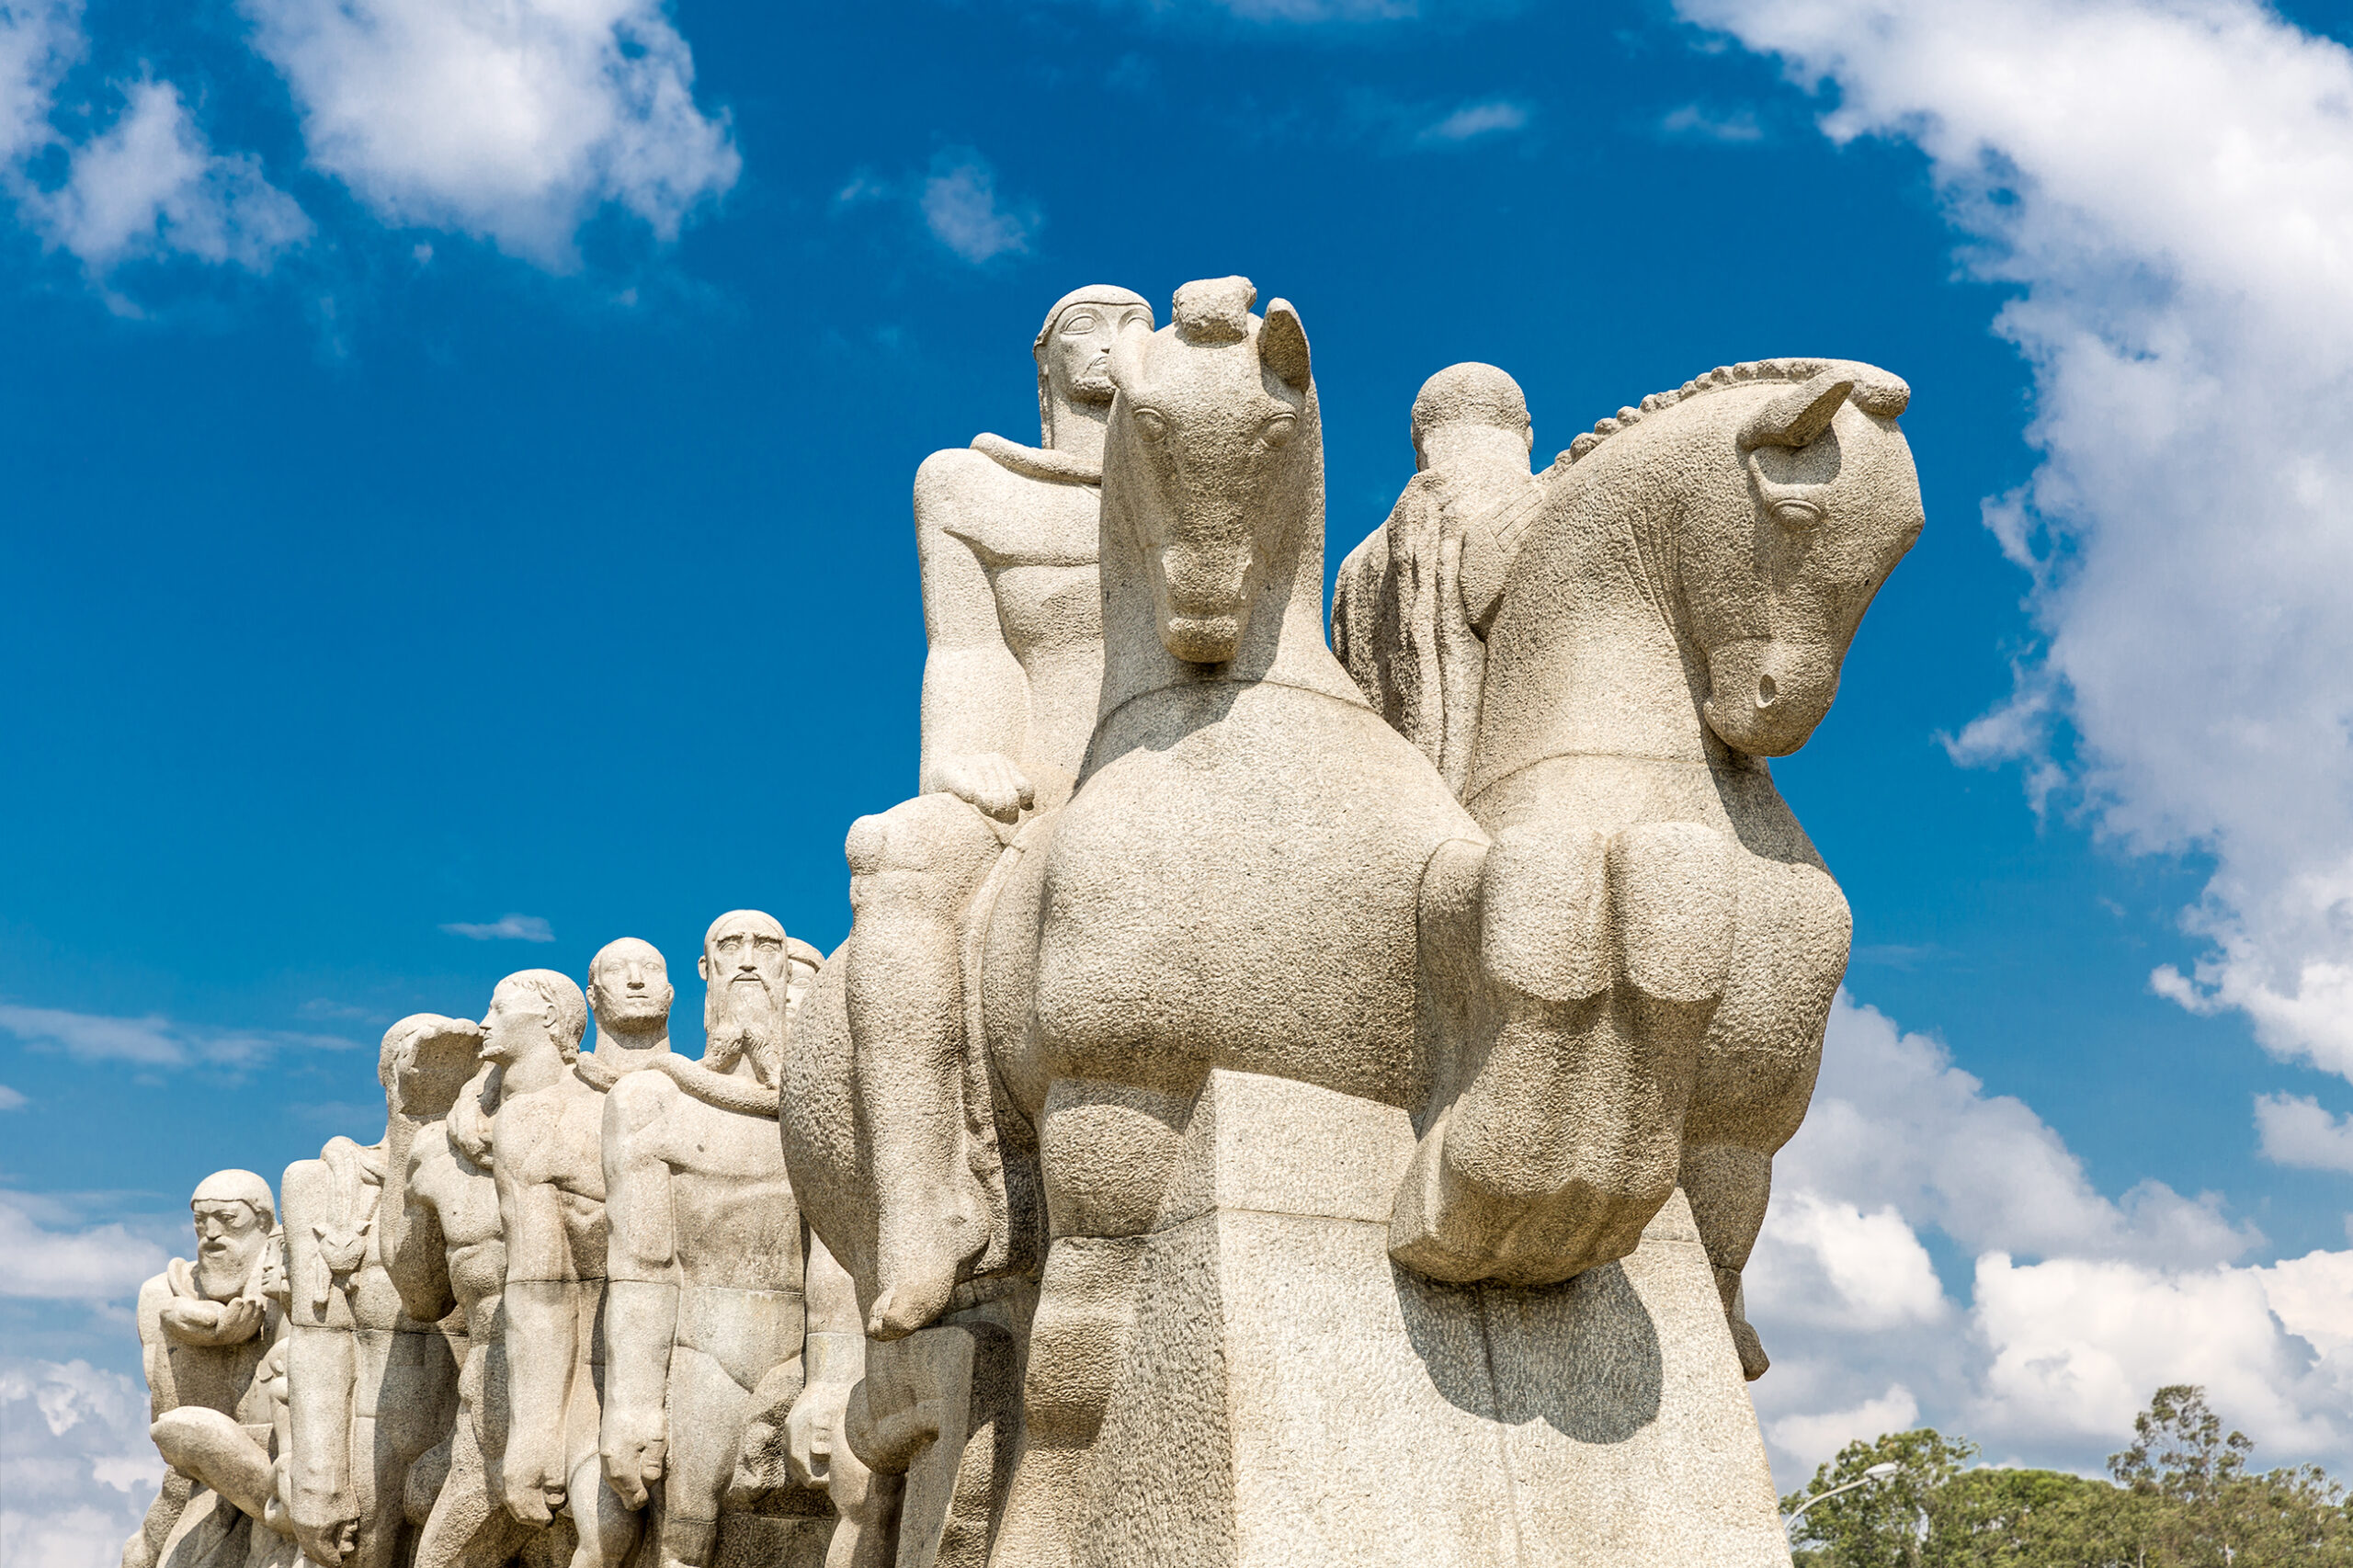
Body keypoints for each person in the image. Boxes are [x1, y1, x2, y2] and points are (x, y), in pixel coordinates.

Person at [846, 284, 1154, 1338]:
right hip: (1028, 778)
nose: (1111, 341)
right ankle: (924, 1201)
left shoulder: (1195, 472)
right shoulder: (967, 484)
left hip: (1167, 758)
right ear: (1046, 363)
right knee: (894, 863)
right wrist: (963, 760)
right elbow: (970, 650)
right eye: (1085, 326)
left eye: (1131, 324)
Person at [599, 911, 872, 1567]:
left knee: (839, 1522)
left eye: (767, 946)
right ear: (707, 967)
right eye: (731, 945)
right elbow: (641, 1267)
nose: (749, 959)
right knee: (685, 1535)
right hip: (704, 1348)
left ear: (784, 966)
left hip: (808, 1344)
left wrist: (832, 1376)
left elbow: (840, 1253)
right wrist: (633, 1404)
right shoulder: (649, 1101)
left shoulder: (835, 1103)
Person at [279, 1019, 468, 1568]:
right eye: (423, 1060)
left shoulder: (492, 1178)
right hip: (372, 1441)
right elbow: (318, 1339)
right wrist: (317, 1475)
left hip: (474, 1432)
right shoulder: (324, 1183)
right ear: (390, 1075)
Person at [492, 958, 649, 1568]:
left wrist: (533, 1430)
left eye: (499, 1009)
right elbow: (542, 1287)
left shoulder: (538, 1117)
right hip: (597, 1366)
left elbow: (542, 1288)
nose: (485, 1024)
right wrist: (536, 1428)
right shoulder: (531, 1114)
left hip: (622, 1357)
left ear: (551, 1018)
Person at [1332, 361, 1544, 795]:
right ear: (1527, 434)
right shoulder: (1544, 505)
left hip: (1401, 804)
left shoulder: (1354, 567)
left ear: (1419, 445)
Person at [381, 1009, 540, 1568]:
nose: (487, 1022)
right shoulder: (445, 1148)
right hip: (494, 1381)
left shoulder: (606, 1112)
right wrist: (411, 1117)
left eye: (501, 1009)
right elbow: (421, 1293)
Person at [123, 1171, 287, 1568]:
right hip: (192, 1475)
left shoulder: (284, 1282)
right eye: (202, 1221)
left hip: (277, 1470)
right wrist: (191, 1333)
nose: (211, 1233)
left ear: (264, 1221)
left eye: (229, 1220)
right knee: (142, 1556)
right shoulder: (160, 1295)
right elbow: (166, 1426)